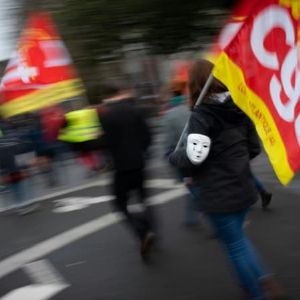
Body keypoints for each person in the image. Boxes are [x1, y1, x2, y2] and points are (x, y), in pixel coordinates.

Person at [169, 59, 287, 300]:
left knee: (234, 247)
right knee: (240, 240)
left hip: (218, 192)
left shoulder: (202, 114)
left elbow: (195, 157)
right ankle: (264, 280)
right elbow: (254, 148)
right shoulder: (239, 108)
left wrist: (174, 157)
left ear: (195, 84)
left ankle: (257, 294)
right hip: (242, 187)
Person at [98, 79, 156, 259]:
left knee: (120, 205)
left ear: (105, 96)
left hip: (121, 168)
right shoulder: (135, 110)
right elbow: (148, 136)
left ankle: (141, 229)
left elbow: (104, 143)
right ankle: (151, 229)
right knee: (144, 199)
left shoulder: (106, 116)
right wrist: (141, 152)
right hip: (139, 164)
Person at [162, 79, 200, 226]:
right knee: (194, 185)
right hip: (197, 150)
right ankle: (191, 218)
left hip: (182, 156)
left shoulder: (170, 114)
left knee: (192, 187)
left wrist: (167, 156)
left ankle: (212, 216)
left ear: (171, 94)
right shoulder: (192, 107)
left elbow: (168, 141)